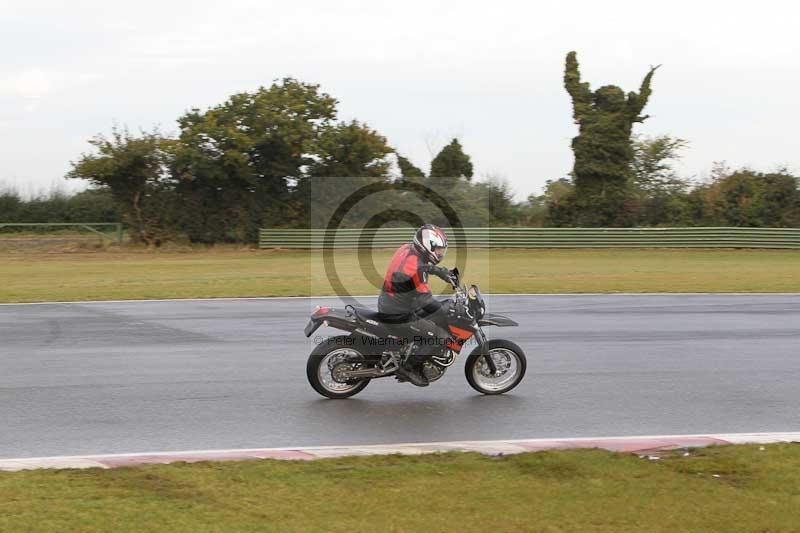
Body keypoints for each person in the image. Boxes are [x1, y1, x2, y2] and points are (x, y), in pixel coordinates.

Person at [377, 224, 456, 387]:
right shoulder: (415, 269)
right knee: (440, 336)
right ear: (428, 246)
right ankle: (409, 368)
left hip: (389, 302)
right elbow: (427, 302)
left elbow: (424, 266)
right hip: (397, 313)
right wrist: (446, 313)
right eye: (439, 249)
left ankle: (409, 351)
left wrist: (442, 272)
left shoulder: (406, 248)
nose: (441, 253)